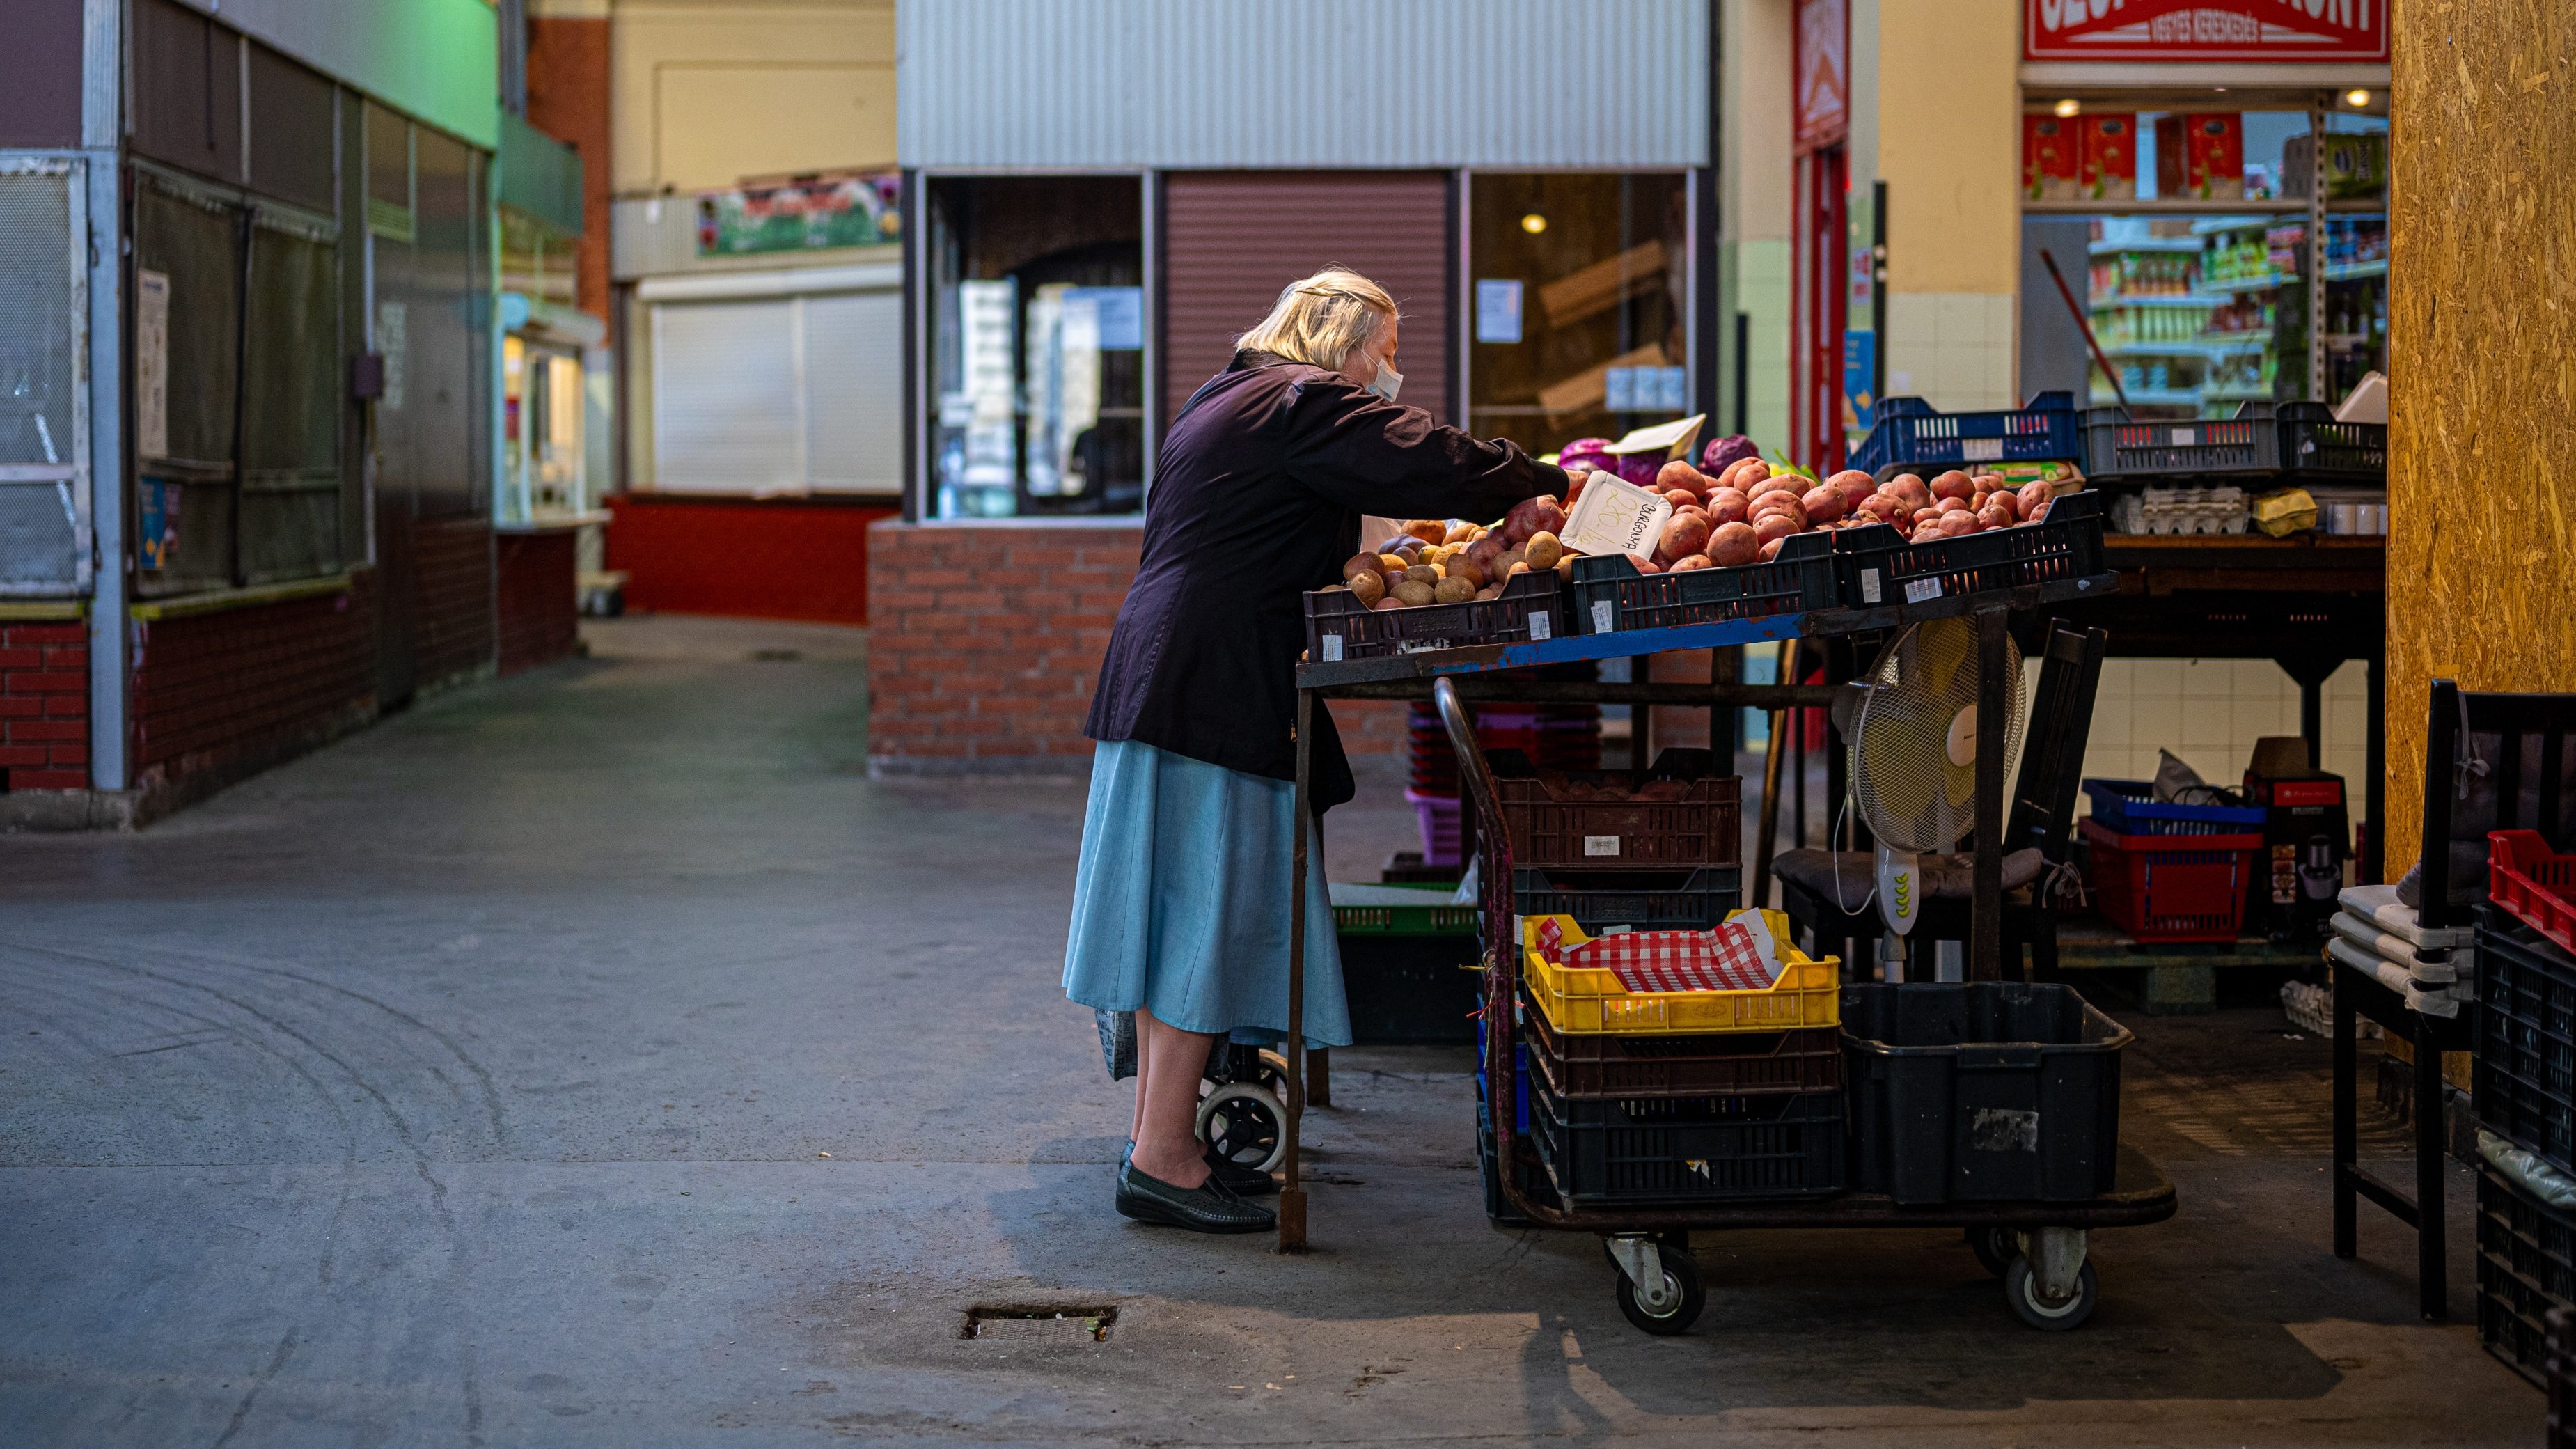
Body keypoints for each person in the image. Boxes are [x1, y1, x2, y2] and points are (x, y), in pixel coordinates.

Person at [1062, 267, 1566, 1232]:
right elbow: (1426, 459)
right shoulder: (1300, 398)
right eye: (1383, 349)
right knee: (1208, 915)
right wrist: (1543, 480)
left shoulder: (1225, 400)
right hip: (1213, 682)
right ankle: (1165, 1158)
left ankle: (1158, 1144)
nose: (1392, 370)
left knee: (1184, 916)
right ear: (1337, 340)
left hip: (1170, 670)